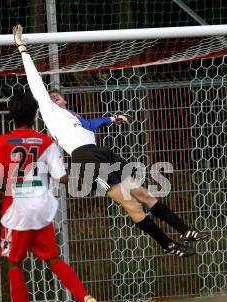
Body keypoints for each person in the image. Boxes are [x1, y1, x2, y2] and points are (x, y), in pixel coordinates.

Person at [13, 24, 208, 258]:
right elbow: (36, 84)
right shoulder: (51, 113)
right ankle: (168, 245)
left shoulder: (76, 119)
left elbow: (93, 125)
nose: (53, 98)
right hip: (85, 159)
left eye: (57, 96)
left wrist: (113, 118)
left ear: (65, 100)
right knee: (131, 204)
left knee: (143, 194)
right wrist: (23, 49)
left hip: (102, 153)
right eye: (50, 97)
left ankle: (186, 230)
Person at [0, 91, 101, 302]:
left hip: (16, 210)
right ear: (35, 114)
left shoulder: (1, 142)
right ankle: (85, 298)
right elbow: (62, 178)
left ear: (11, 115)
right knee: (53, 259)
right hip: (42, 207)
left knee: (15, 264)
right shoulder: (45, 142)